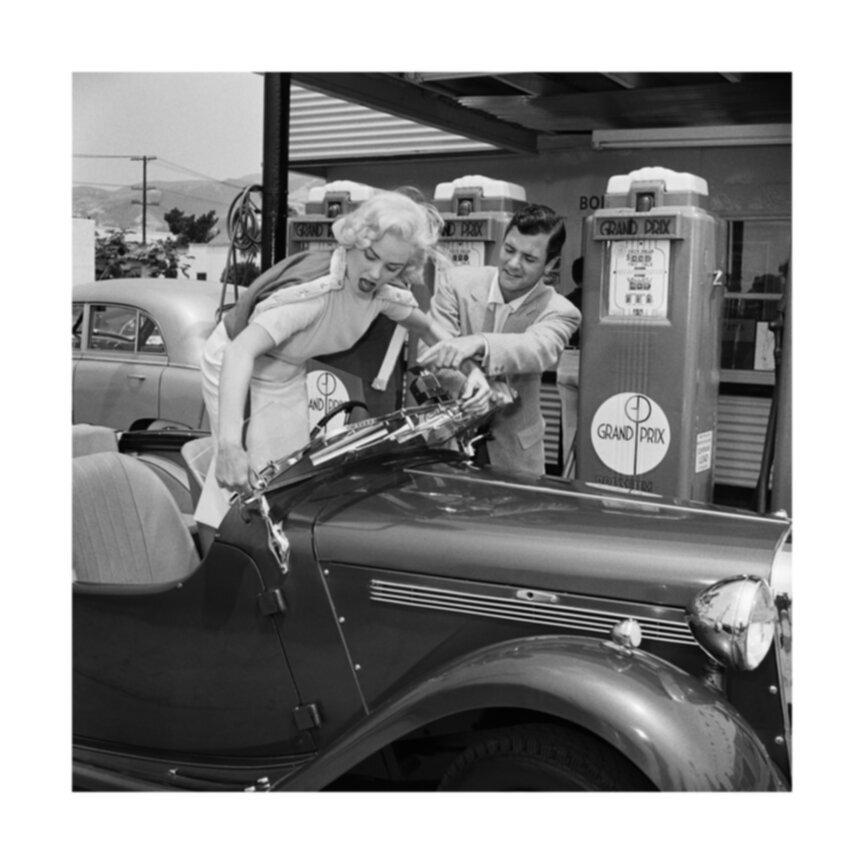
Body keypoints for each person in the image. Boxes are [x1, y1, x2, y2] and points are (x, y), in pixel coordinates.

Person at [195, 190, 490, 529]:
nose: (376, 273)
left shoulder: (381, 294)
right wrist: (230, 445)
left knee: (289, 474)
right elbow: (239, 352)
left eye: (391, 267)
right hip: (234, 362)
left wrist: (471, 371)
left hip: (286, 367)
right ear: (353, 241)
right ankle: (224, 552)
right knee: (243, 473)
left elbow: (427, 328)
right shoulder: (313, 295)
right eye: (370, 255)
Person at [417, 204, 581, 475]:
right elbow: (431, 349)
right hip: (444, 444)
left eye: (529, 258)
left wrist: (480, 342)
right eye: (509, 249)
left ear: (550, 265)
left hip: (515, 455)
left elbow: (538, 349)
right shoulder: (456, 283)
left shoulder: (562, 311)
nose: (513, 264)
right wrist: (470, 389)